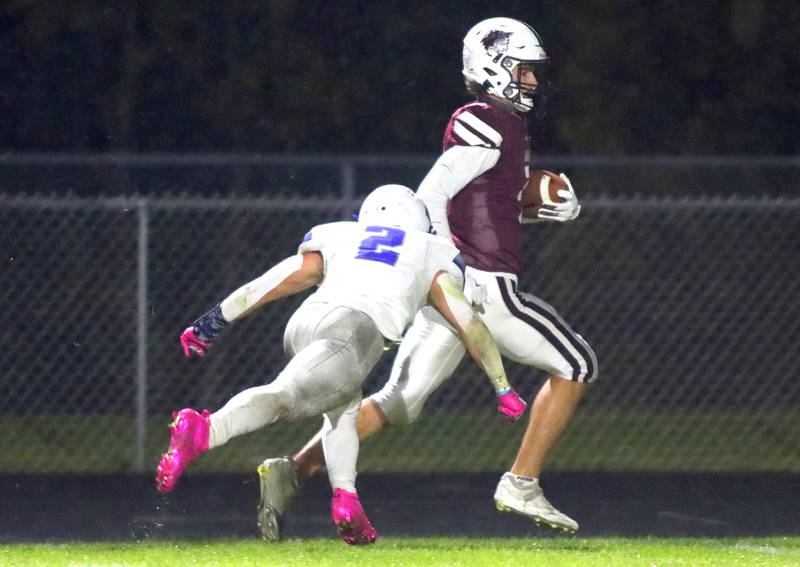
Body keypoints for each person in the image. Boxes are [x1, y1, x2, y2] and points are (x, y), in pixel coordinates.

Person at [256, 17, 597, 541]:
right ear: (494, 67)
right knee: (576, 363)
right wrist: (450, 264)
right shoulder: (489, 120)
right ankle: (521, 482)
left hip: (456, 285)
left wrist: (534, 210)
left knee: (400, 400)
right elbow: (431, 195)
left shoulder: (501, 123)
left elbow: (477, 206)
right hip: (483, 285)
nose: (531, 81)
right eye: (523, 70)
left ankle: (293, 471)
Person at [155, 184, 527, 545]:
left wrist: (214, 320)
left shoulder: (340, 234)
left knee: (344, 406)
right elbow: (469, 324)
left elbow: (275, 281)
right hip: (355, 332)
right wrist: (502, 385)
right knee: (286, 396)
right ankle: (205, 430)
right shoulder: (432, 250)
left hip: (305, 323)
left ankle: (346, 500)